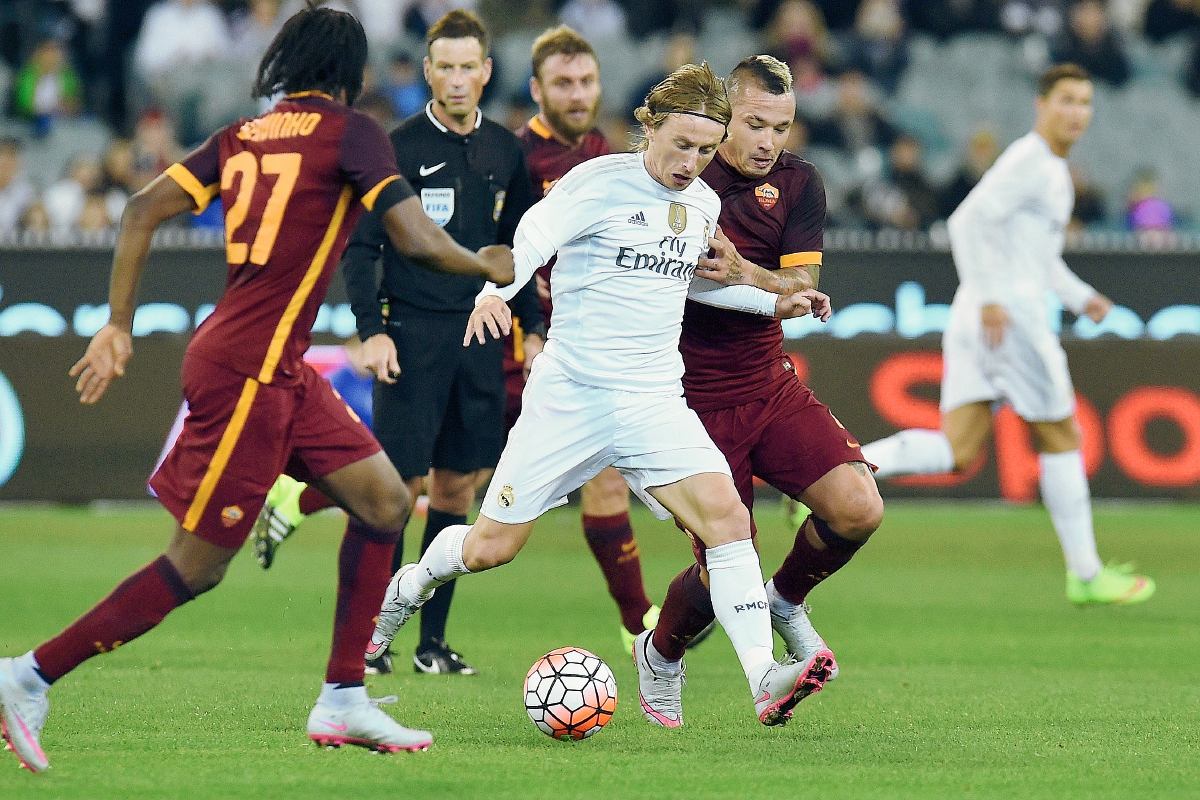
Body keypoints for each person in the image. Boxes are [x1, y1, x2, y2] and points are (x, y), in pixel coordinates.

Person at [0, 7, 514, 773]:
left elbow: (141, 208)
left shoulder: (242, 136)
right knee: (197, 565)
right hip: (249, 372)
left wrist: (117, 324)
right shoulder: (351, 131)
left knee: (382, 502)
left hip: (275, 364)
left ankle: (343, 696)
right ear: (352, 71)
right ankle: (27, 676)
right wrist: (486, 265)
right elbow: (413, 237)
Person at [367, 62, 834, 729]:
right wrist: (494, 293)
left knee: (727, 522)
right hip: (571, 399)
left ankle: (764, 675)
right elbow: (529, 239)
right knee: (491, 549)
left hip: (651, 401)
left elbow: (697, 283)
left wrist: (778, 295)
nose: (692, 162)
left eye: (706, 150)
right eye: (682, 145)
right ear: (649, 127)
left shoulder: (701, 204)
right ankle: (408, 588)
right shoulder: (598, 183)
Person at [251, 10, 540, 678]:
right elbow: (362, 247)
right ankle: (370, 639)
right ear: (428, 72)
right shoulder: (397, 147)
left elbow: (519, 253)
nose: (460, 78)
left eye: (471, 66)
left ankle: (431, 643)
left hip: (480, 337)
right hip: (411, 334)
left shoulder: (505, 151)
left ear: (487, 72)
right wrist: (372, 330)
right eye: (447, 66)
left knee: (457, 488)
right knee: (399, 486)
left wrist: (532, 330)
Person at [634, 55, 882, 728]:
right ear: (723, 118)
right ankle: (660, 650)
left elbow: (798, 291)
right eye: (754, 124)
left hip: (768, 385)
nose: (769, 142)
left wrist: (749, 270)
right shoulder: (680, 175)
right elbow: (690, 282)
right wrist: (761, 283)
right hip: (687, 401)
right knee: (721, 573)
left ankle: (785, 600)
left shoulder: (799, 184)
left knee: (858, 507)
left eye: (782, 126)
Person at [860, 64, 1154, 607]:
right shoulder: (1031, 162)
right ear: (1042, 105)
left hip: (982, 312)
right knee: (1062, 436)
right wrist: (993, 294)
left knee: (958, 448)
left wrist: (1078, 296)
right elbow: (966, 223)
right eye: (1066, 100)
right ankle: (1086, 574)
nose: (1076, 112)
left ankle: (836, 476)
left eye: (1085, 102)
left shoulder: (1050, 170)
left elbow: (1036, 258)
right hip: (1010, 315)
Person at [512, 25, 671, 654]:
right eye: (563, 83)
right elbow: (497, 243)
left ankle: (639, 623)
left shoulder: (608, 153)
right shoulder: (514, 157)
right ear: (537, 89)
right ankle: (302, 499)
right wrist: (530, 292)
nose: (577, 94)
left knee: (604, 479)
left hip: (579, 350)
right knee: (448, 481)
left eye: (586, 82)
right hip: (514, 342)